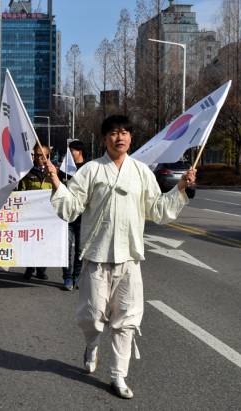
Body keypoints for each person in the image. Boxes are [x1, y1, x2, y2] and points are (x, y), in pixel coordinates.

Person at [46, 115, 195, 399]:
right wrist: (55, 181)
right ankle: (92, 344)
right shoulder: (90, 170)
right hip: (96, 258)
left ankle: (118, 375)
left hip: (129, 259)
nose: (120, 137)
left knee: (127, 320)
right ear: (105, 139)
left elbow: (158, 210)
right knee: (91, 316)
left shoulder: (141, 172)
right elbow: (72, 208)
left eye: (125, 132)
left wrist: (180, 188)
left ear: (131, 138)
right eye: (114, 133)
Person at [18, 145, 54, 281]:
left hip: (47, 214)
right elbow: (21, 191)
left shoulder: (53, 171)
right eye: (36, 155)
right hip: (31, 214)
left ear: (48, 156)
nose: (39, 158)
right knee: (30, 242)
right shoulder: (27, 172)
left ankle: (41, 269)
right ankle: (29, 268)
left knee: (44, 243)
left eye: (42, 155)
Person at [59, 140, 87, 290]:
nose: (68, 155)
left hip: (83, 216)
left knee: (80, 249)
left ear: (79, 152)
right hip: (67, 215)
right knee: (66, 247)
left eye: (71, 152)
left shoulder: (88, 169)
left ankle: (77, 276)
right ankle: (67, 278)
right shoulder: (63, 169)